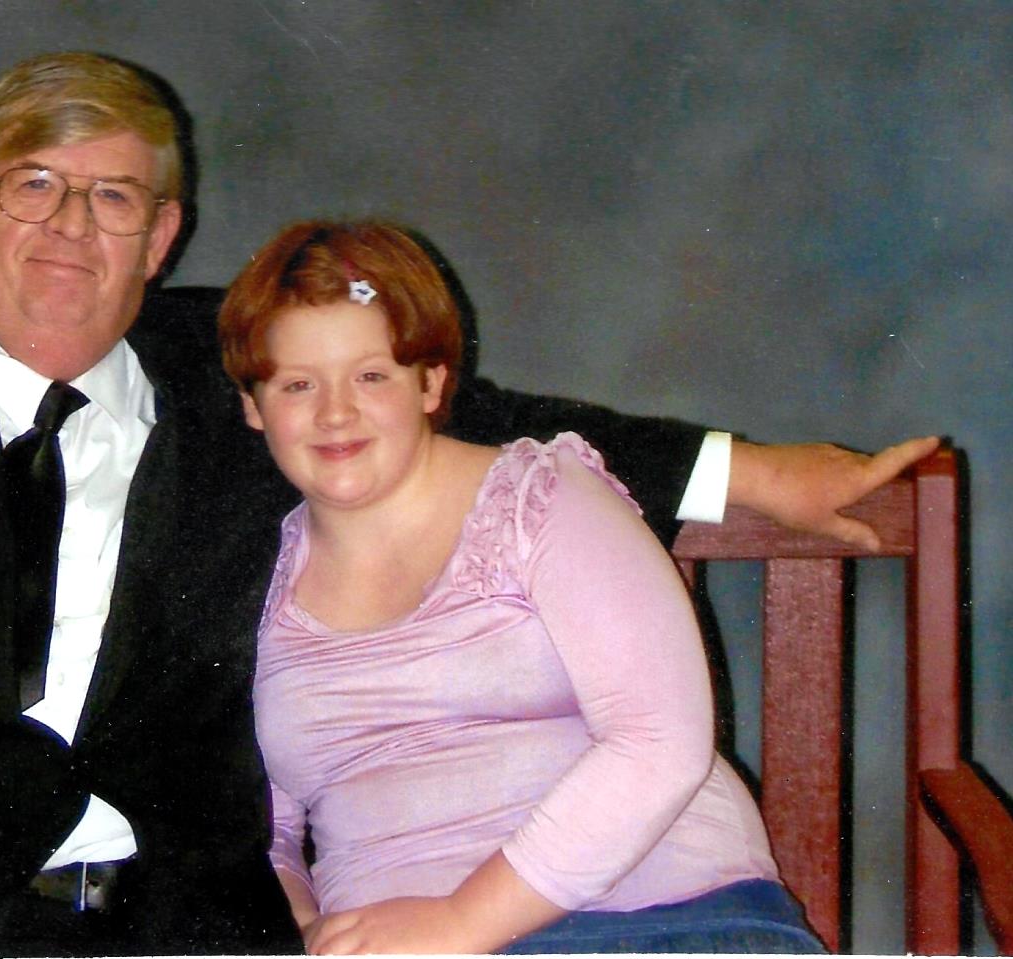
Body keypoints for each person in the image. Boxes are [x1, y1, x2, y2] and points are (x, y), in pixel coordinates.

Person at [0, 51, 929, 958]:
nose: (70, 227)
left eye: (112, 196)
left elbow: (458, 402)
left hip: (192, 927)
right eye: (34, 184)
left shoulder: (241, 377)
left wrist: (751, 472)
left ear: (162, 235)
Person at [217, 220, 829, 954]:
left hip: (658, 918)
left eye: (371, 375)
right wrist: (309, 932)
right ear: (253, 405)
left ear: (430, 382)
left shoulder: (538, 499)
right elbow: (262, 829)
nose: (335, 412)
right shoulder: (254, 578)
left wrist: (458, 923)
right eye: (297, 384)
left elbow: (659, 742)